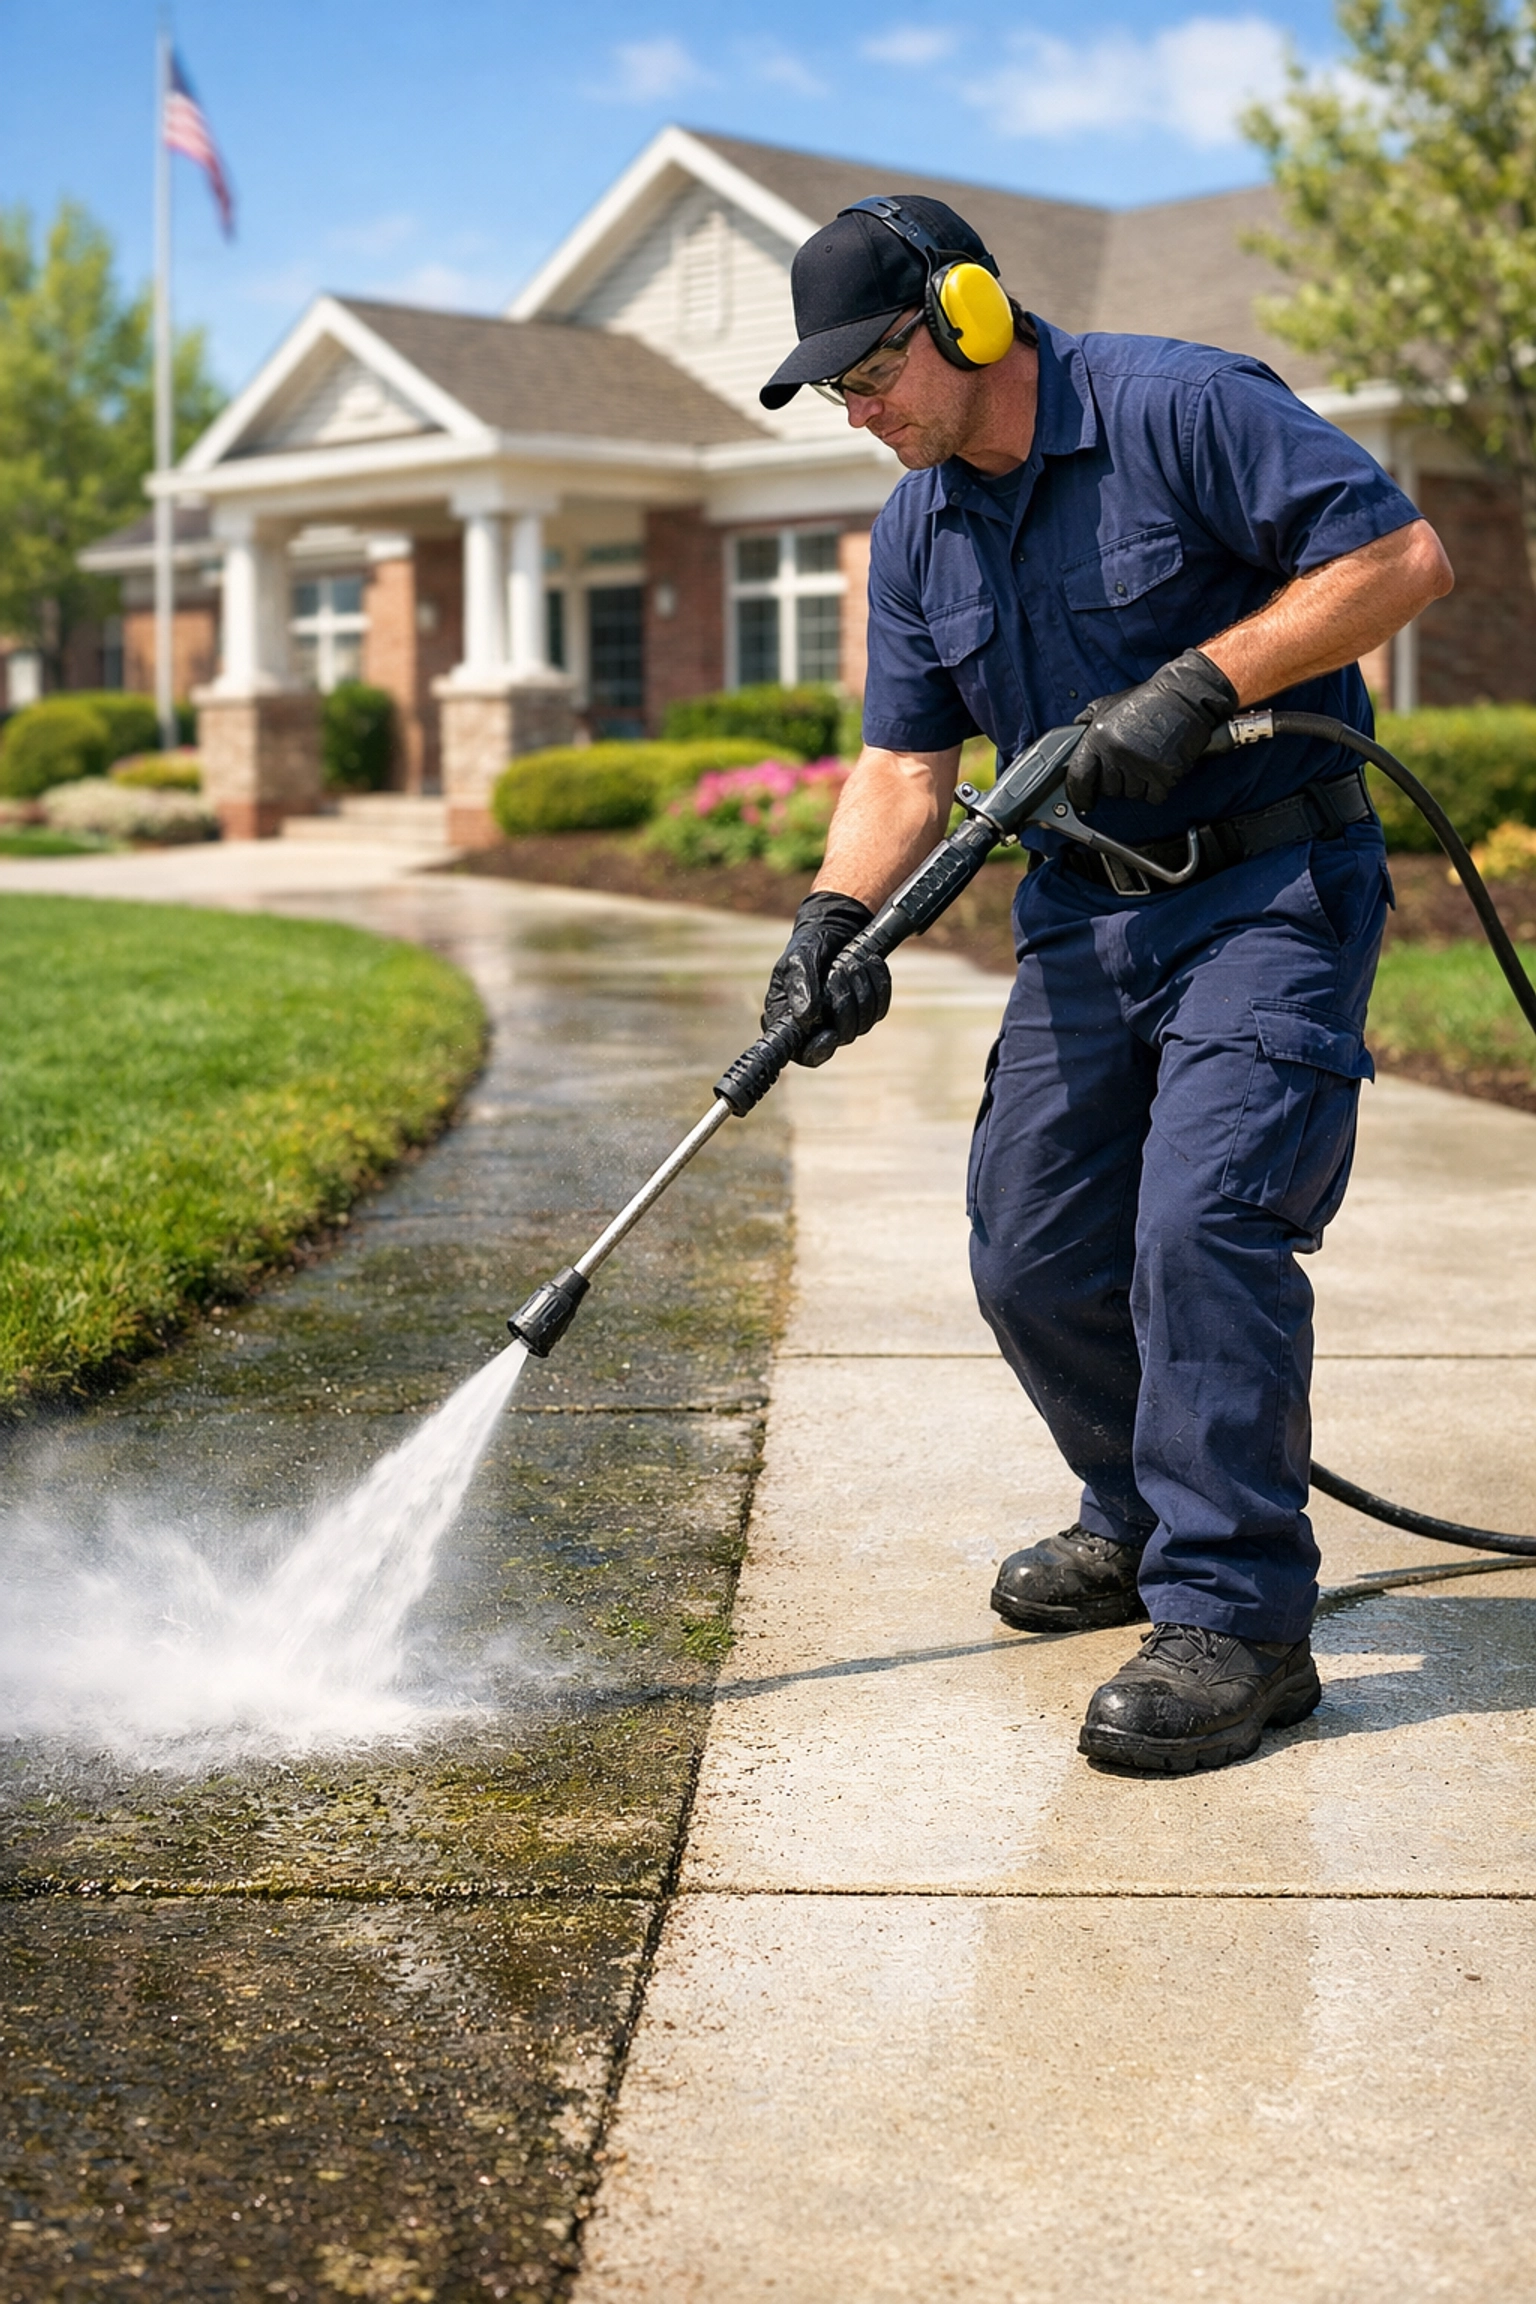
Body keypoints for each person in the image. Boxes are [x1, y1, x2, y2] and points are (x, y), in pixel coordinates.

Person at [756, 193, 1453, 1775]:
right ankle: (1143, 1522)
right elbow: (903, 761)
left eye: (869, 376)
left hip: (1271, 884)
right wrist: (828, 922)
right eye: (838, 395)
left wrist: (1204, 680)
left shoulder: (1181, 407)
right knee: (1032, 1244)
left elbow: (1403, 557)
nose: (859, 414)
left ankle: (1240, 1619)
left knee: (1201, 1225)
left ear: (969, 319)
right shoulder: (918, 523)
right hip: (1087, 917)